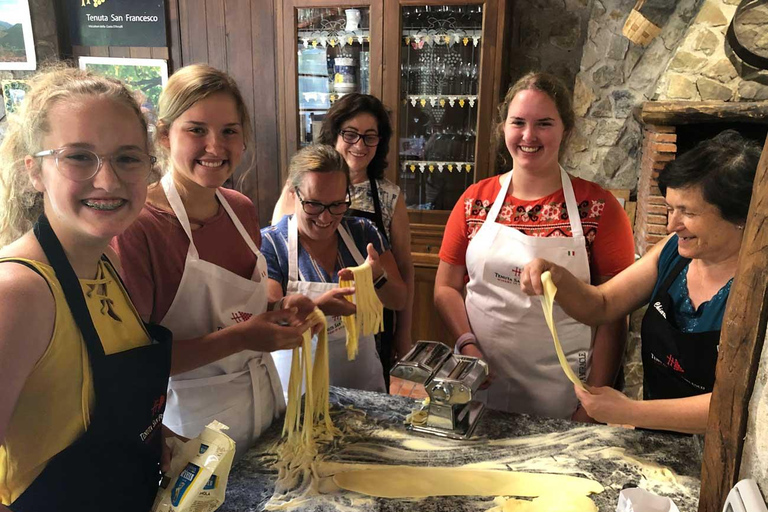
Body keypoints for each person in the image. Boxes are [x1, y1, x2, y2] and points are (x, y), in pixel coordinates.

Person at [111, 64, 313, 461]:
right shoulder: (139, 228)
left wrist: (281, 310)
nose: (215, 147)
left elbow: (239, 313)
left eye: (229, 132)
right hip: (191, 434)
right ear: (165, 135)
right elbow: (134, 367)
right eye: (197, 130)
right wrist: (243, 338)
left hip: (266, 408)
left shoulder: (241, 209)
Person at [0, 67, 171, 510]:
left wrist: (153, 438)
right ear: (35, 171)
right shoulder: (17, 292)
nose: (108, 181)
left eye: (127, 158)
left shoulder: (107, 262)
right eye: (78, 156)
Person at [521, 130, 760, 434]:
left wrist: (629, 411)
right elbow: (603, 305)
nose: (672, 225)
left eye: (687, 212)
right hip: (656, 441)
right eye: (671, 208)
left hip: (720, 459)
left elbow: (735, 409)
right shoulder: (673, 251)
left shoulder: (757, 290)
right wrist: (556, 277)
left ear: (740, 216)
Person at [434, 72, 635, 420]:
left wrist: (591, 404)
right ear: (503, 129)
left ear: (566, 131)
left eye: (544, 123)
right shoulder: (474, 201)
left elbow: (615, 315)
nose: (529, 136)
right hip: (481, 382)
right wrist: (467, 342)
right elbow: (446, 287)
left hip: (564, 390)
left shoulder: (599, 208)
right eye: (518, 123)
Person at [272, 94, 414, 381]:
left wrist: (403, 333)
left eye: (370, 137)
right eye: (350, 134)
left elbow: (404, 272)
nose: (326, 217)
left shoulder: (384, 200)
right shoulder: (295, 189)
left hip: (371, 321)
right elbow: (280, 253)